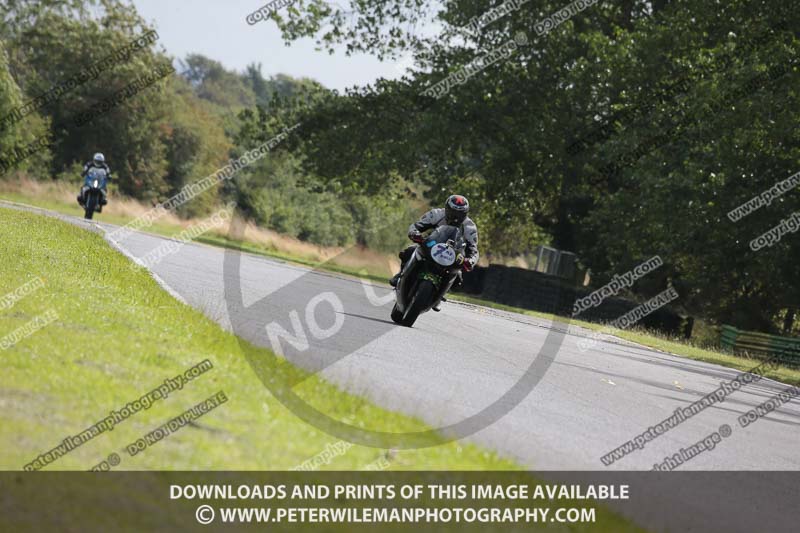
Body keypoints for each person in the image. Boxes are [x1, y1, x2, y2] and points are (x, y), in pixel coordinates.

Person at [389, 194, 479, 309]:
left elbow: (473, 249)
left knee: (458, 277)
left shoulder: (470, 227)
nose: (455, 217)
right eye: (453, 212)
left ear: (465, 213)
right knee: (410, 251)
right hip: (431, 245)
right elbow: (416, 225)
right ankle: (400, 275)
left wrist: (470, 261)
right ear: (447, 209)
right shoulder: (436, 214)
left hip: (453, 253)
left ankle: (439, 295)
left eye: (460, 214)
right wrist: (414, 233)